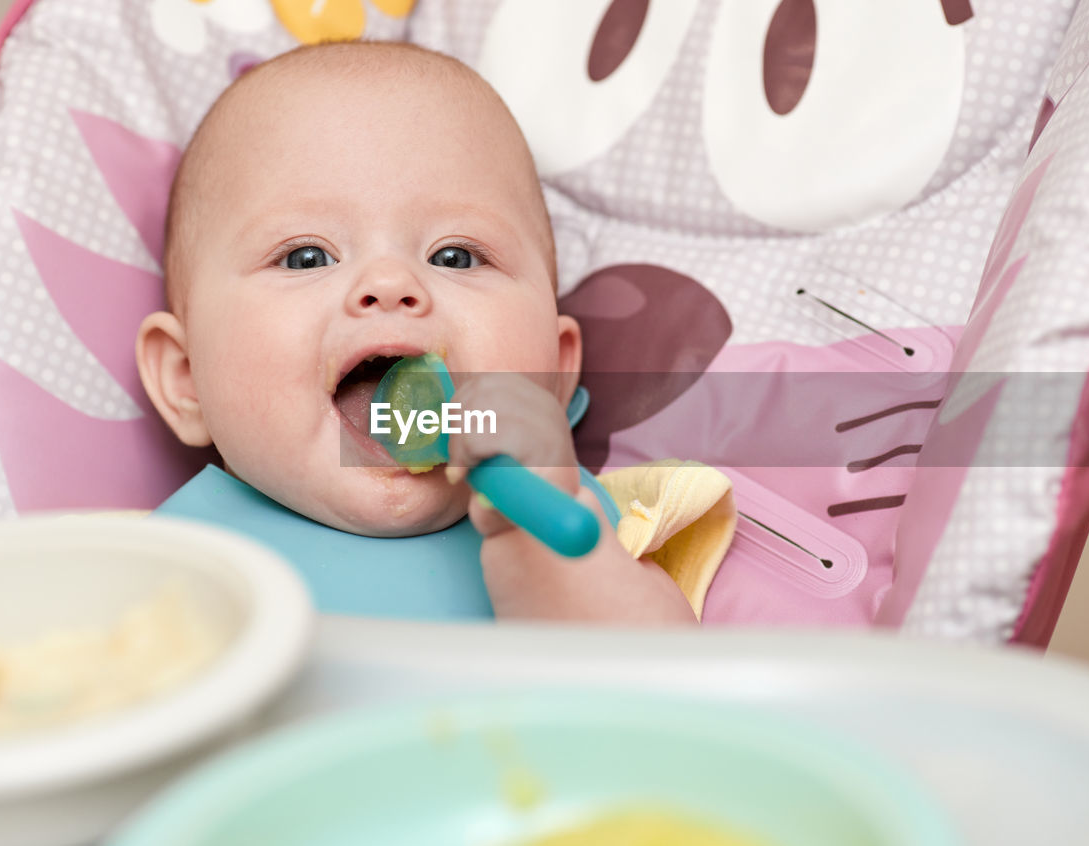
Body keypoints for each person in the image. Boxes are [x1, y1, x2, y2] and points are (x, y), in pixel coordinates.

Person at [137, 40, 720, 624]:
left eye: (457, 257)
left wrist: (550, 565)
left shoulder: (568, 521)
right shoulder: (157, 567)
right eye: (307, 258)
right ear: (186, 378)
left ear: (555, 371)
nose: (391, 282)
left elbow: (669, 690)